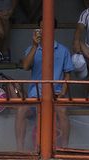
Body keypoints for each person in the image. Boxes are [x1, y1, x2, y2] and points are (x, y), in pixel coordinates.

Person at [15, 19, 74, 152]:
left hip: (56, 95)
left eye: (47, 27)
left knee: (63, 111)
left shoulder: (63, 50)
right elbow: (25, 66)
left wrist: (63, 93)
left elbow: (67, 76)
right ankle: (19, 150)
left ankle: (65, 148)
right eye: (41, 27)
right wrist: (35, 46)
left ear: (54, 29)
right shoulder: (32, 48)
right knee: (21, 111)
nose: (44, 30)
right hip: (35, 96)